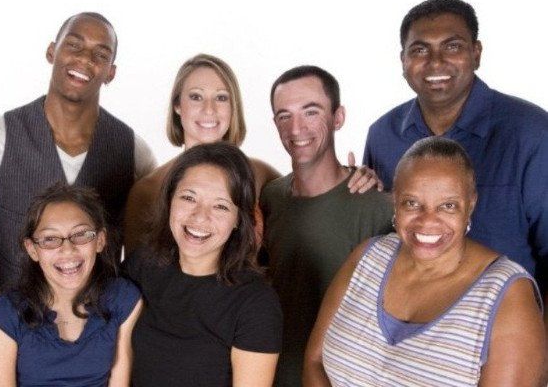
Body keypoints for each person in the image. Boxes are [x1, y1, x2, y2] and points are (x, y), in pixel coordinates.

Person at [0, 12, 155, 382]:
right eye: (73, 45)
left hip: (96, 350)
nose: (84, 59)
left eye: (100, 54)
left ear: (111, 72)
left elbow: (141, 256)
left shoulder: (134, 152)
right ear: (52, 52)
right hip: (11, 345)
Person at [303, 137, 545, 386]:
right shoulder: (367, 257)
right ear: (395, 201)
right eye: (412, 203)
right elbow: (314, 360)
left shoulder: (508, 296)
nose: (428, 221)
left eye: (448, 206)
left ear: (471, 204)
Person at [362, 0, 548, 286]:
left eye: (452, 46)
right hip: (406, 309)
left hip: (508, 310)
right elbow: (381, 244)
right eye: (420, 49)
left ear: (476, 53)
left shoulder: (533, 133)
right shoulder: (383, 135)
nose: (435, 61)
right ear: (403, 61)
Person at [262, 65, 393, 386]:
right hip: (270, 375)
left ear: (338, 117)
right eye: (284, 115)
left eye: (311, 112)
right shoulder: (270, 198)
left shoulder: (377, 208)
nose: (296, 128)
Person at [124, 142, 283, 387]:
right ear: (170, 200)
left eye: (220, 206)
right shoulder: (142, 266)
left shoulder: (256, 304)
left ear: (238, 219)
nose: (199, 216)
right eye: (189, 198)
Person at [0, 184, 142, 386]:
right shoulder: (6, 311)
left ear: (100, 240)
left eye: (81, 234)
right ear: (32, 249)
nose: (68, 249)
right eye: (50, 239)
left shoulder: (122, 298)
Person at [123, 54, 280, 254]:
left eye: (221, 98)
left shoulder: (261, 175)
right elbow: (135, 268)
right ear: (177, 105)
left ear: (233, 108)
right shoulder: (147, 189)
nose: (209, 109)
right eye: (196, 97)